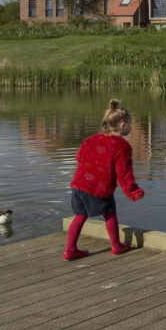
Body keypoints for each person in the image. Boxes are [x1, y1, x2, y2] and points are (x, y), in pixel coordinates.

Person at [64, 98, 145, 261]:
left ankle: (70, 250)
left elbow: (79, 157)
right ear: (123, 125)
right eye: (130, 123)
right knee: (110, 214)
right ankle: (116, 246)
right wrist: (134, 192)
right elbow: (124, 174)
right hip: (99, 189)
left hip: (78, 185)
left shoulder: (91, 139)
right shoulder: (122, 147)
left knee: (80, 216)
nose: (131, 126)